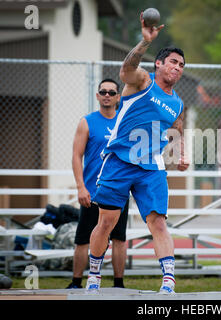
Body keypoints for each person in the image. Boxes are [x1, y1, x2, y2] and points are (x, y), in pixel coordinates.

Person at [85, 13, 189, 294]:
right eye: (172, 62)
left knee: (158, 221)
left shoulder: (177, 104)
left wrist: (181, 153)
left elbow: (177, 128)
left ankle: (168, 282)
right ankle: (94, 274)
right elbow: (124, 72)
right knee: (106, 222)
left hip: (151, 166)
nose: (177, 68)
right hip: (119, 160)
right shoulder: (143, 81)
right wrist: (144, 42)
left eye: (181, 65)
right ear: (159, 63)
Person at [68, 78, 129, 289]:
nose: (107, 95)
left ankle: (118, 285)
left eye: (112, 92)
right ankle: (76, 282)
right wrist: (80, 187)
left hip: (118, 190)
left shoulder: (124, 122)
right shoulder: (87, 122)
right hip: (92, 192)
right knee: (83, 239)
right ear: (97, 95)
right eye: (103, 91)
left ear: (118, 97)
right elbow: (77, 156)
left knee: (119, 238)